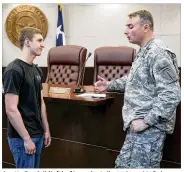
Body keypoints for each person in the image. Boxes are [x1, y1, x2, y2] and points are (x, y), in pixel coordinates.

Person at [94, 10, 180, 168]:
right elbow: (135, 81)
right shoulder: (144, 51)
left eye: (130, 26)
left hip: (149, 129)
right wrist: (110, 85)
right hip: (137, 128)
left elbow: (171, 95)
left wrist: (146, 121)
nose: (125, 31)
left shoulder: (158, 52)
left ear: (146, 27)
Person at [3, 27, 51, 168]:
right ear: (28, 42)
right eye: (39, 40)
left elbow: (40, 102)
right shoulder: (14, 70)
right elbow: (11, 110)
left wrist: (46, 130)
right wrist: (26, 138)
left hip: (38, 134)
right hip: (22, 137)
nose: (43, 44)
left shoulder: (37, 70)